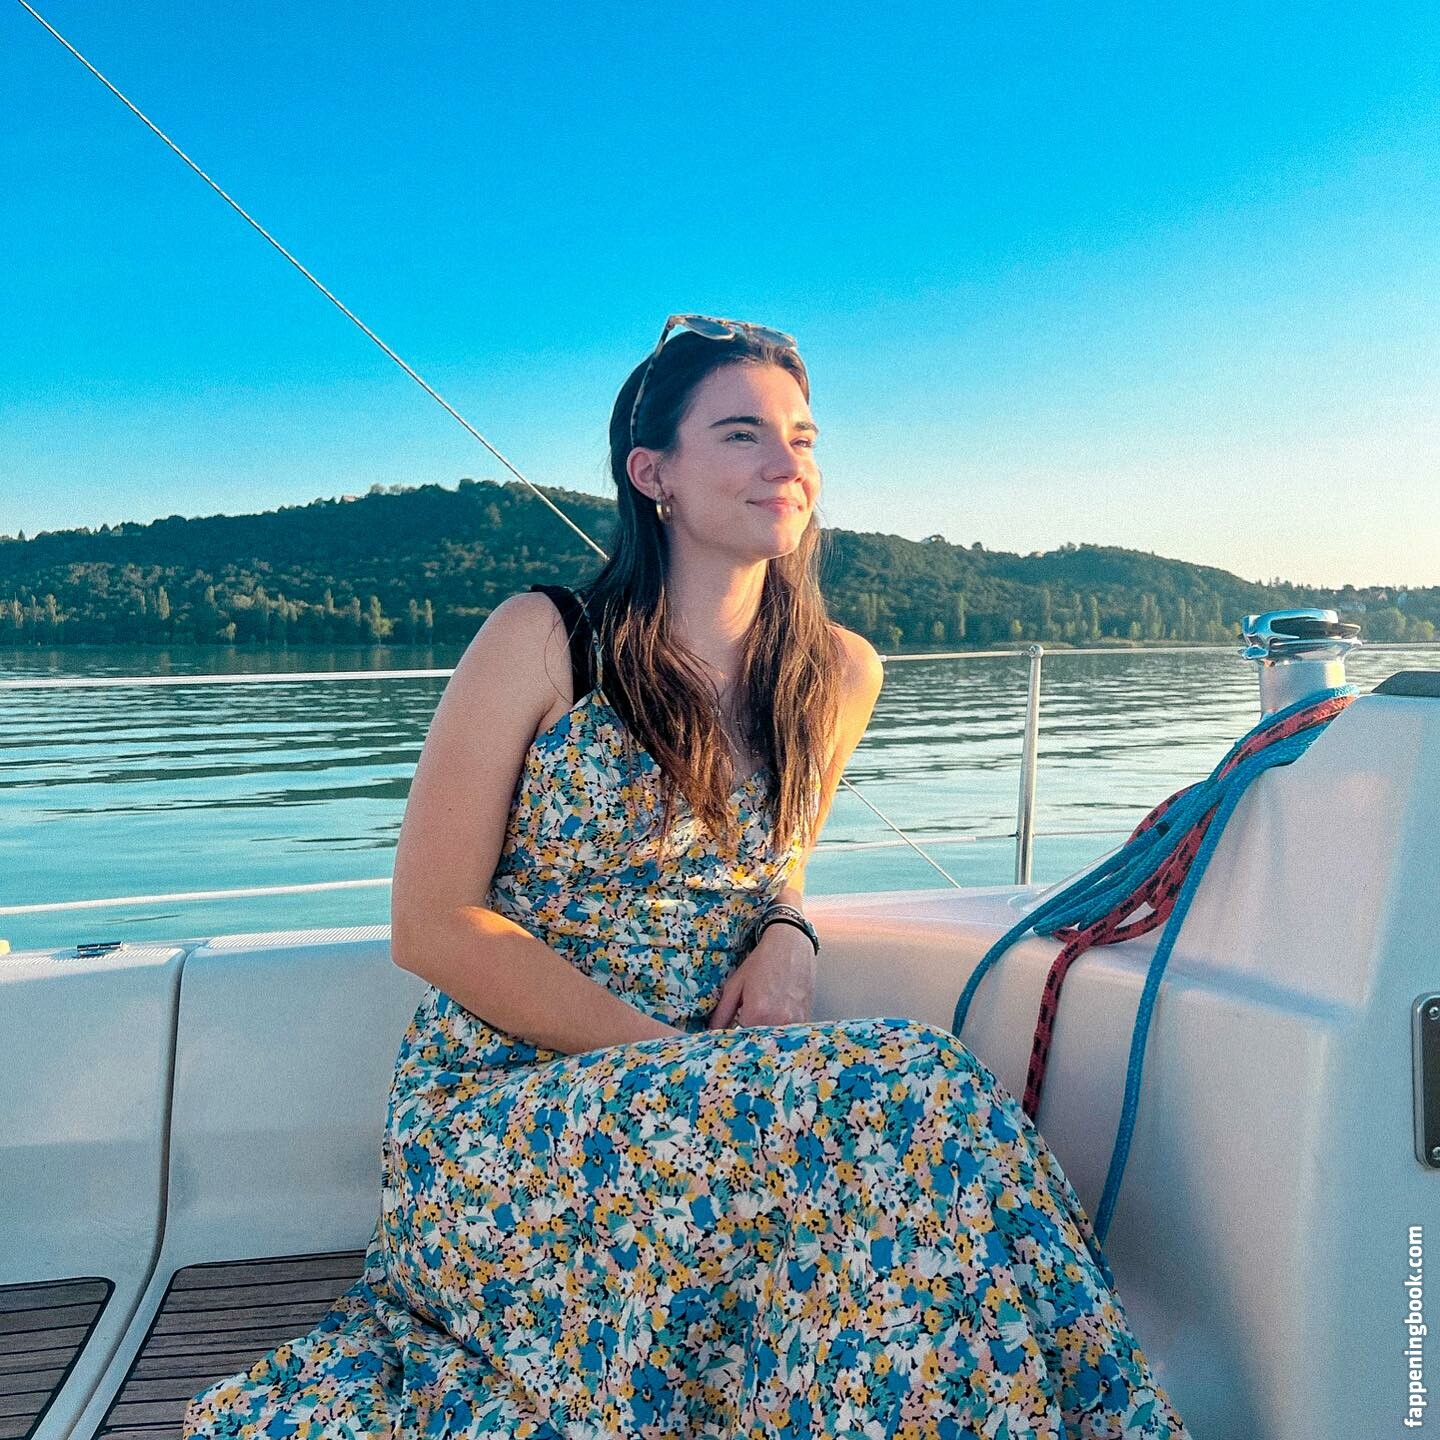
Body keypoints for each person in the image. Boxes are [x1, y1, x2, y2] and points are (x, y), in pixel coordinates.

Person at [183, 315, 1189, 1438]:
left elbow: (781, 858)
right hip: (508, 1108)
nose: (786, 463)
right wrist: (670, 1058)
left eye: (803, 438)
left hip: (718, 1101)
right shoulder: (547, 639)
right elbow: (432, 923)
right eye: (742, 434)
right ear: (651, 473)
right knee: (912, 1082)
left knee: (912, 1133)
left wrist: (789, 933)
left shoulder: (838, 672)